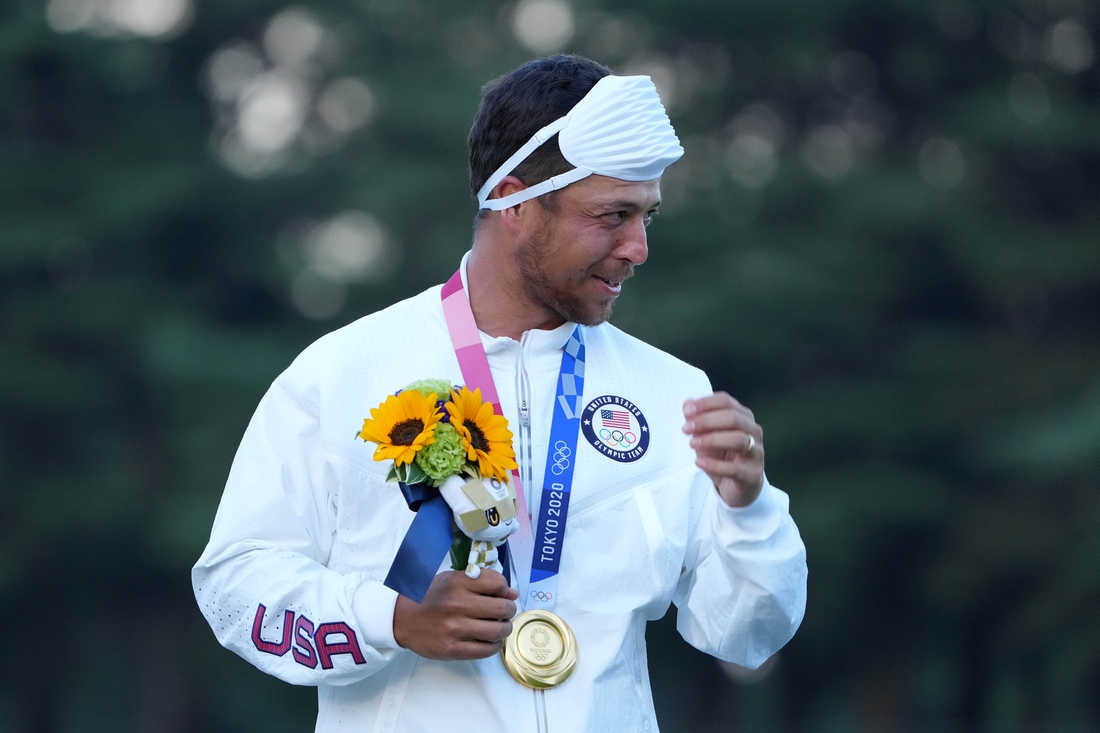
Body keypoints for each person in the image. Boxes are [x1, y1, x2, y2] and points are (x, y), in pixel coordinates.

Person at [193, 54, 807, 732]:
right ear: (513, 202)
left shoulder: (674, 393)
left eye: (647, 217)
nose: (637, 248)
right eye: (611, 215)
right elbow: (235, 586)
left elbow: (748, 635)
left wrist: (748, 508)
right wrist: (390, 619)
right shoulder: (341, 374)